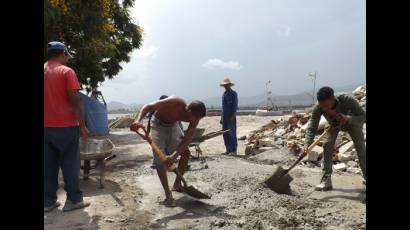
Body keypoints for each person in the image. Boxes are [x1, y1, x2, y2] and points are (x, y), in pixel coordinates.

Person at [130, 97, 206, 207]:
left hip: (174, 125)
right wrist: (138, 120)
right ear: (188, 111)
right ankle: (168, 194)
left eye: (199, 118)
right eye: (195, 117)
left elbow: (187, 139)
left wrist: (174, 156)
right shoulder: (175, 102)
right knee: (160, 160)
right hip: (157, 125)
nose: (196, 121)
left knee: (185, 153)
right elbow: (148, 106)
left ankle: (177, 184)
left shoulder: (196, 117)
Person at [44, 41, 90, 212]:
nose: (68, 59)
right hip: (65, 126)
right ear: (62, 53)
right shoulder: (66, 71)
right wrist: (83, 126)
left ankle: (47, 202)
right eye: (67, 55)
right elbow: (76, 101)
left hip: (45, 128)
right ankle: (74, 200)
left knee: (48, 165)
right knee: (70, 163)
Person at [304, 86, 366, 191]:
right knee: (327, 144)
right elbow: (312, 127)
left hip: (352, 123)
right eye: (322, 106)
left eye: (327, 105)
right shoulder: (318, 107)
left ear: (333, 98)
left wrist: (348, 119)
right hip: (333, 125)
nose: (325, 109)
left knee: (360, 149)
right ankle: (326, 180)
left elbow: (363, 117)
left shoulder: (347, 100)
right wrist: (307, 144)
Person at [147, 95, 185, 170]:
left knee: (172, 150)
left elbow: (178, 122)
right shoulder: (155, 110)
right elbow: (150, 120)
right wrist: (148, 132)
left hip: (172, 128)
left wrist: (181, 133)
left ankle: (170, 161)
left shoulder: (174, 109)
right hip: (158, 127)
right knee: (159, 151)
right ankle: (161, 163)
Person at [220, 77, 238, 155]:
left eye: (227, 85)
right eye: (225, 85)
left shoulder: (234, 94)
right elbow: (223, 107)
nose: (226, 86)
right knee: (225, 133)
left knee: (231, 133)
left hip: (231, 116)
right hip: (224, 116)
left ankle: (233, 150)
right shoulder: (224, 94)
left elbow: (235, 106)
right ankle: (228, 149)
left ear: (230, 85)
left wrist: (233, 115)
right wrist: (221, 118)